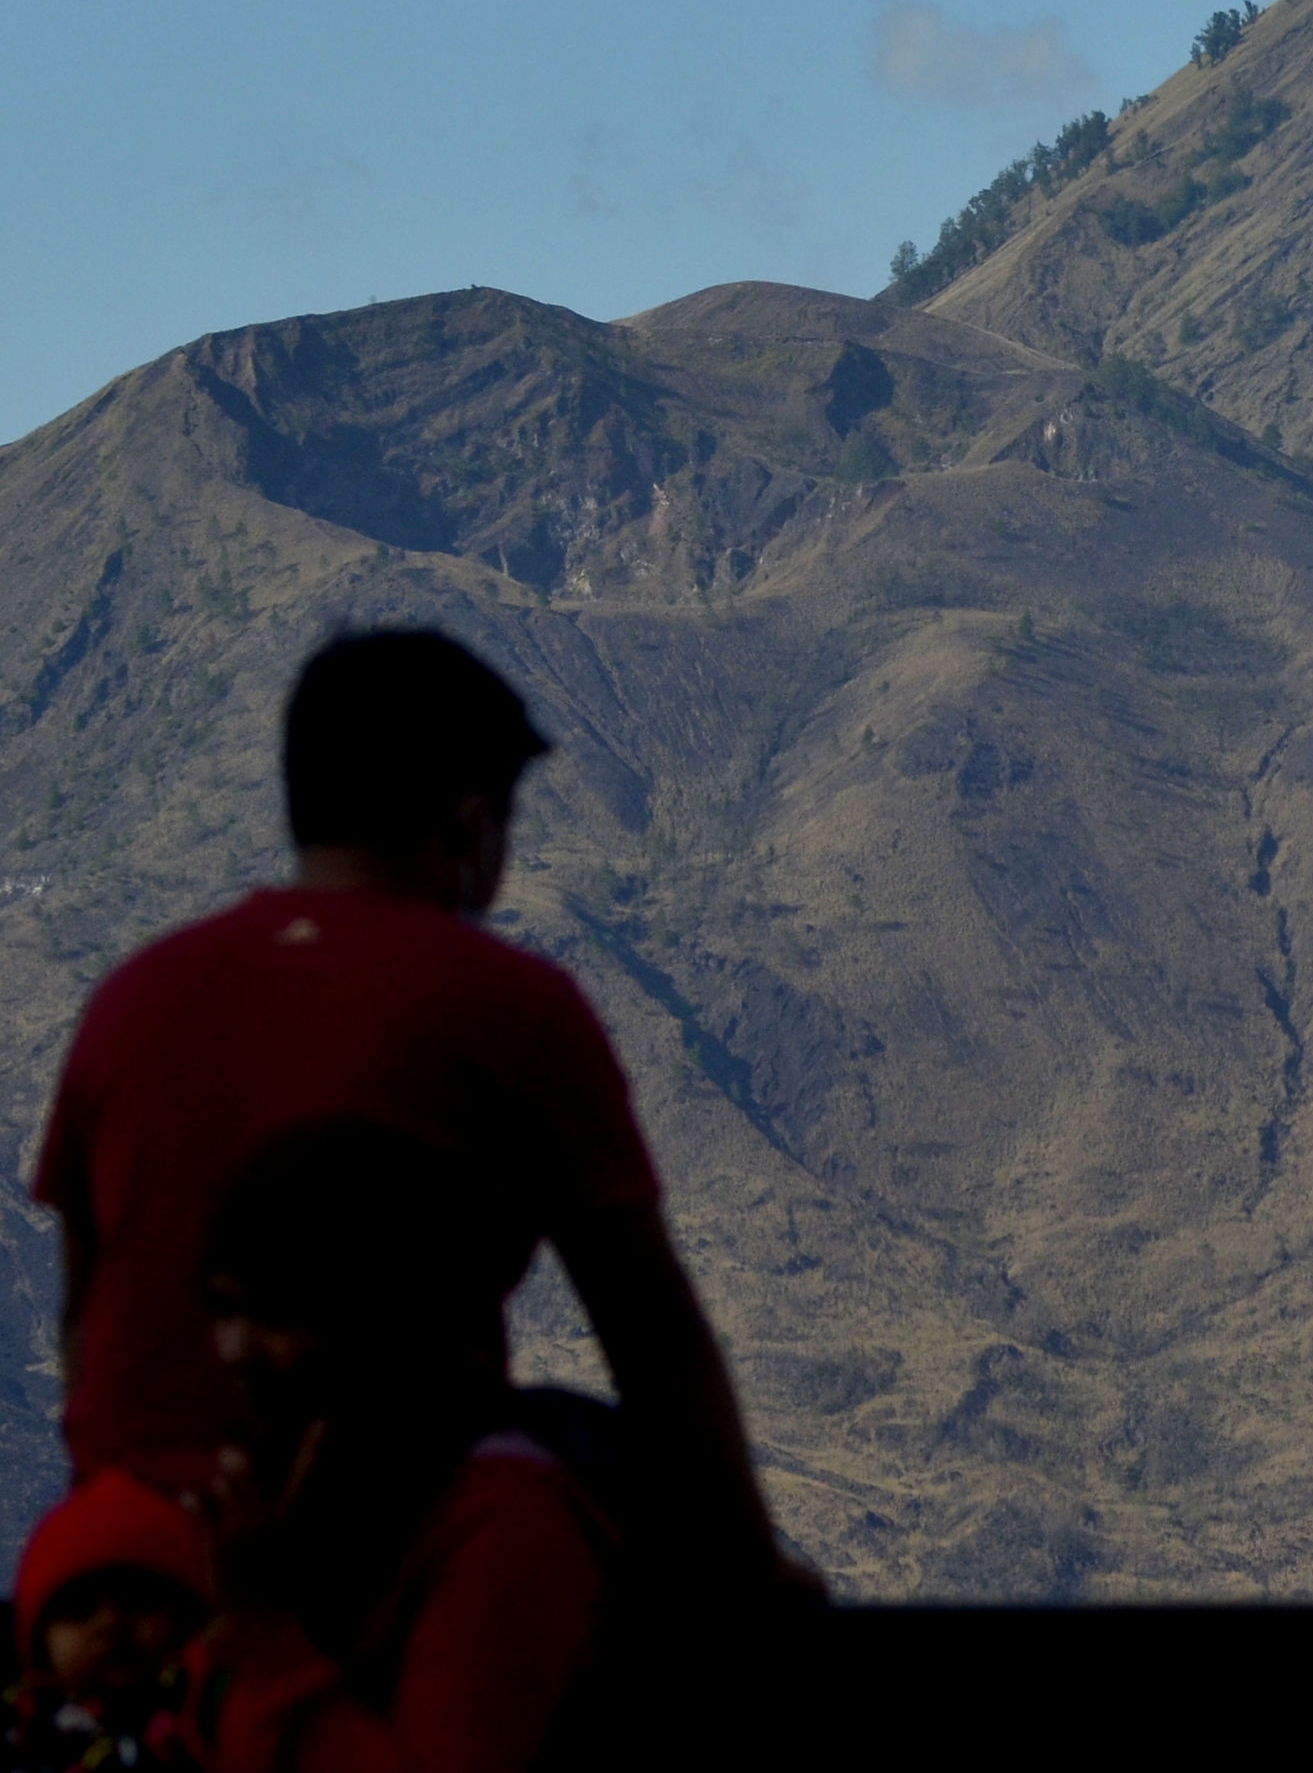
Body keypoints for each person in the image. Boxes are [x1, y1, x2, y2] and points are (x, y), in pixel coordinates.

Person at [28, 629, 787, 1590]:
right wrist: (750, 1565)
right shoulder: (509, 1007)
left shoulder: (130, 999)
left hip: (122, 1567)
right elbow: (651, 1334)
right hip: (379, 1559)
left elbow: (84, 1316)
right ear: (469, 828)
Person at [184, 1123, 609, 1773]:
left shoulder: (504, 1524)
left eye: (281, 1311)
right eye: (224, 1308)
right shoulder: (321, 1495)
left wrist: (264, 1633)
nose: (236, 1348)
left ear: (379, 1318)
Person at [4, 1471, 211, 1773]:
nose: (109, 1623)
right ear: (39, 1642)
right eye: (78, 1609)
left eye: (139, 1600)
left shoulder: (216, 1721)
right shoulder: (18, 1732)